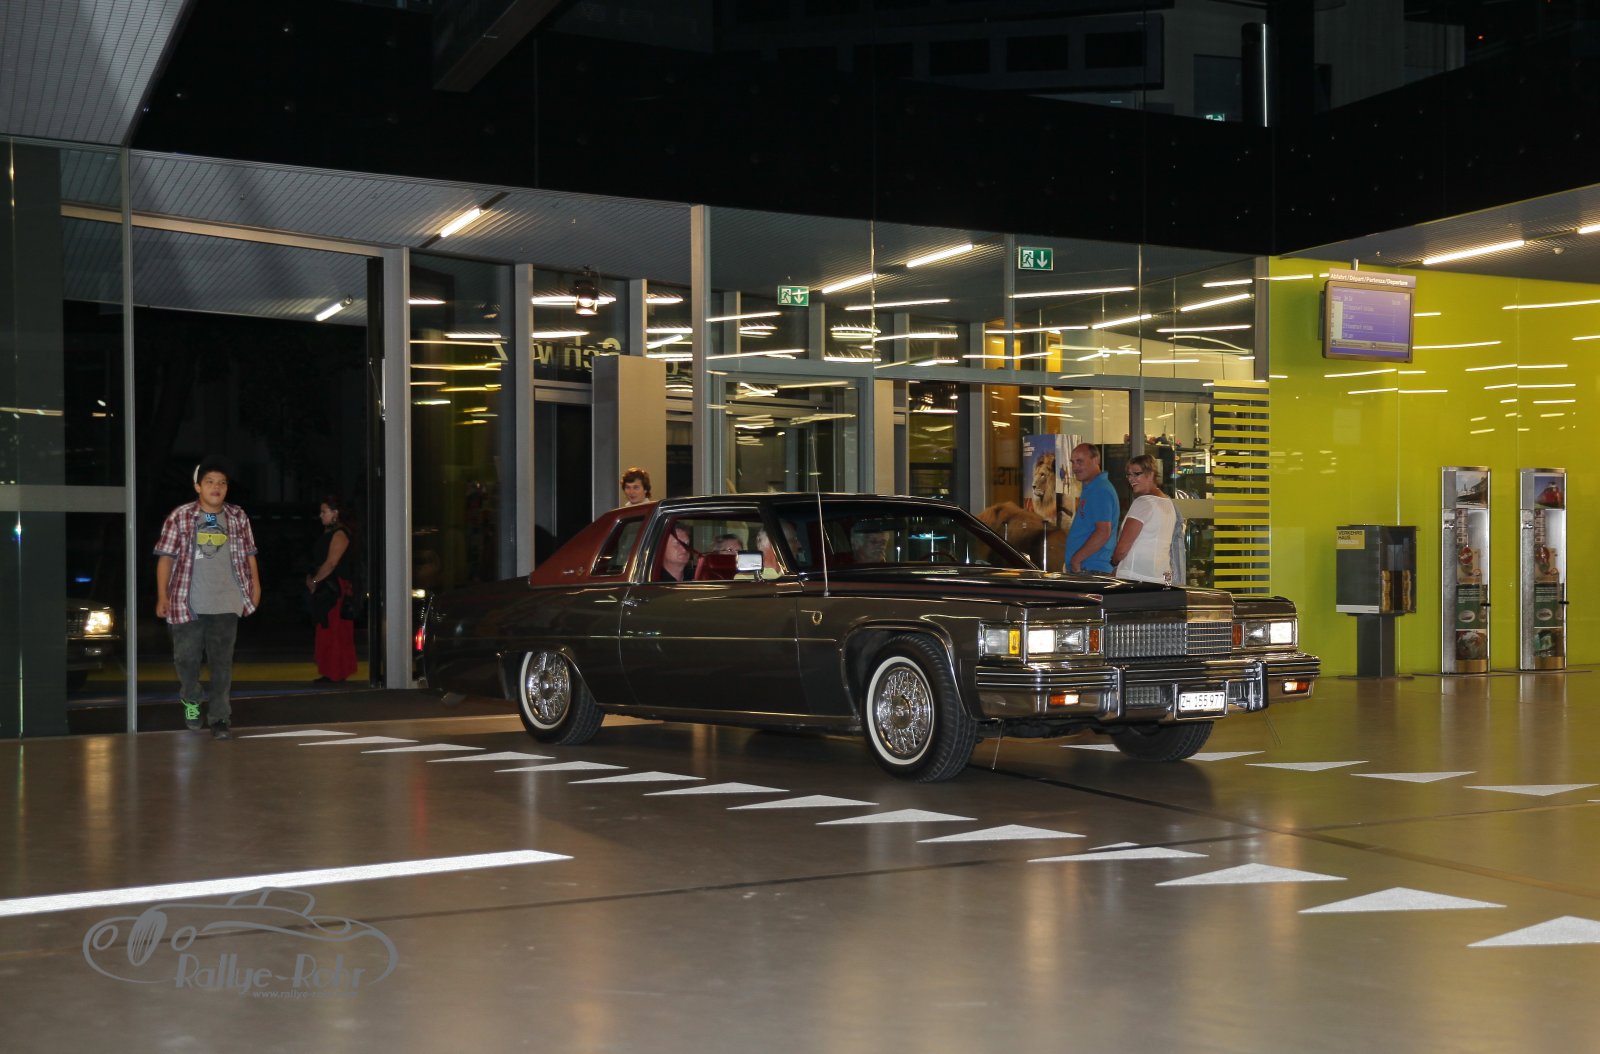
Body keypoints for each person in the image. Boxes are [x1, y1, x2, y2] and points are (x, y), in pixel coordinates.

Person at [154, 457, 261, 740]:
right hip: (187, 602)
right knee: (186, 660)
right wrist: (162, 595)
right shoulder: (180, 516)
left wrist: (256, 587)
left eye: (222, 483)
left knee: (221, 664)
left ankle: (220, 717)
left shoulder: (237, 516)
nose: (217, 487)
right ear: (198, 487)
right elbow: (165, 558)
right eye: (210, 482)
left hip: (226, 601)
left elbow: (250, 555)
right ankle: (191, 699)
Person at [305, 495, 357, 683]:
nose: (320, 515)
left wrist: (315, 580)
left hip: (335, 589)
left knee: (334, 629)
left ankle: (336, 672)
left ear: (335, 513)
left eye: (324, 511)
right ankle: (332, 671)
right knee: (328, 628)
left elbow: (332, 563)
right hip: (329, 587)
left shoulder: (340, 534)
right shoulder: (332, 533)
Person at [1110, 454, 1178, 584]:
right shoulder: (1168, 504)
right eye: (1128, 475)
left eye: (1136, 474)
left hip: (1136, 577)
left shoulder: (1143, 502)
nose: (1131, 479)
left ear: (1151, 474)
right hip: (1162, 578)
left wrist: (1114, 561)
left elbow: (1122, 548)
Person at [1062, 443, 1118, 573]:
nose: (1075, 467)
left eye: (1080, 461)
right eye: (1073, 462)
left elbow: (1103, 532)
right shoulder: (1092, 488)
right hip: (1088, 567)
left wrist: (1076, 559)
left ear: (1096, 460)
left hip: (1091, 569)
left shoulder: (1100, 489)